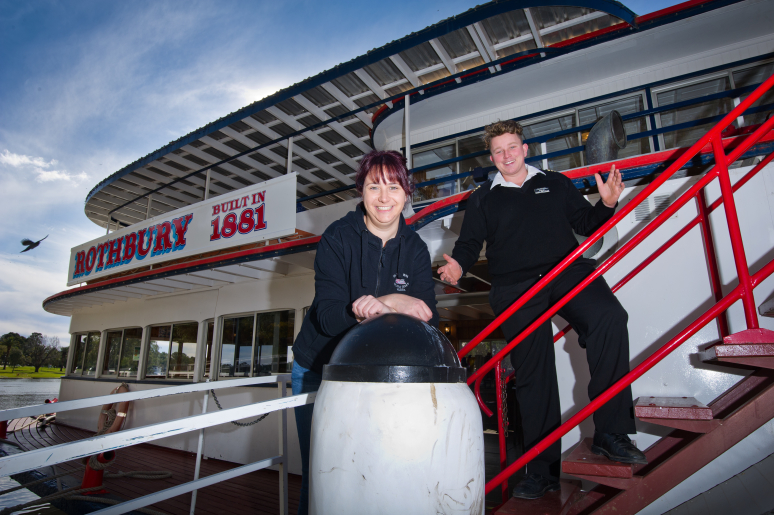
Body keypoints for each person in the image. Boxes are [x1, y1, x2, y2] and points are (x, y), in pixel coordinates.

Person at [438, 120, 646, 500]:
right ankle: (544, 470)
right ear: (491, 157)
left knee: (609, 317)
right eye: (499, 151)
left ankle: (611, 432)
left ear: (525, 148)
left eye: (512, 147)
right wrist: (458, 266)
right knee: (535, 375)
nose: (506, 155)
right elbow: (469, 244)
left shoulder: (556, 182)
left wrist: (609, 204)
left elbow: (587, 222)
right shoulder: (483, 197)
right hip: (515, 287)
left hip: (565, 270)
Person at [291, 150, 439, 514]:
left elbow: (426, 317)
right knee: (322, 474)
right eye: (374, 186)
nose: (384, 197)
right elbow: (327, 316)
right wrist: (392, 300)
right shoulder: (337, 237)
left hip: (376, 376)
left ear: (407, 192)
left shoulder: (416, 249)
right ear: (361, 191)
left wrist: (382, 305)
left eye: (393, 186)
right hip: (317, 369)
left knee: (369, 471)